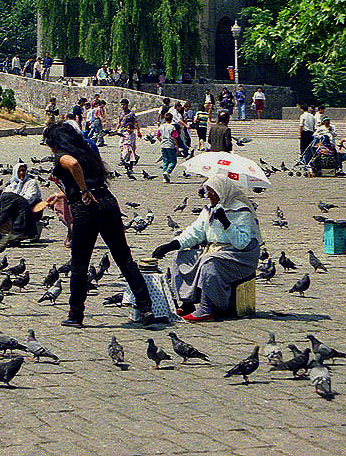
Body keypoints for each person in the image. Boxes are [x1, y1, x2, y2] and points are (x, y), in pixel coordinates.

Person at [42, 121, 161, 328]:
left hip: (86, 208)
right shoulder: (86, 151)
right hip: (108, 202)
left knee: (79, 263)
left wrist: (82, 191)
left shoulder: (63, 156)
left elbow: (73, 166)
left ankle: (75, 315)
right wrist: (61, 194)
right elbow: (84, 175)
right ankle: (146, 308)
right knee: (124, 259)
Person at [151, 170, 261, 322]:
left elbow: (241, 243)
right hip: (215, 250)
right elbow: (195, 232)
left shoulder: (241, 211)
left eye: (212, 193)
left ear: (222, 192)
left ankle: (206, 308)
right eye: (207, 192)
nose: (208, 196)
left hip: (240, 256)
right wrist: (172, 245)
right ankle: (187, 303)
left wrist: (226, 222)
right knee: (182, 257)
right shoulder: (209, 209)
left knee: (210, 261)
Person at [117, 99, 141, 170]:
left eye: (124, 104)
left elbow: (135, 122)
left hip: (129, 131)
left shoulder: (131, 114)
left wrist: (138, 131)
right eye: (121, 104)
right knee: (122, 145)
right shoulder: (121, 113)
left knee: (129, 146)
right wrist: (116, 129)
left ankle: (123, 160)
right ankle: (134, 157)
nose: (122, 106)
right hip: (123, 131)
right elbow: (119, 122)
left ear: (127, 105)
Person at [158, 111, 180, 178]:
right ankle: (167, 172)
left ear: (164, 119)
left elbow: (158, 136)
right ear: (171, 119)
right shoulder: (172, 127)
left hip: (163, 145)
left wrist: (162, 141)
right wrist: (176, 146)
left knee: (165, 160)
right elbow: (174, 137)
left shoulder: (161, 127)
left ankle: (165, 175)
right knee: (173, 161)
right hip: (170, 145)